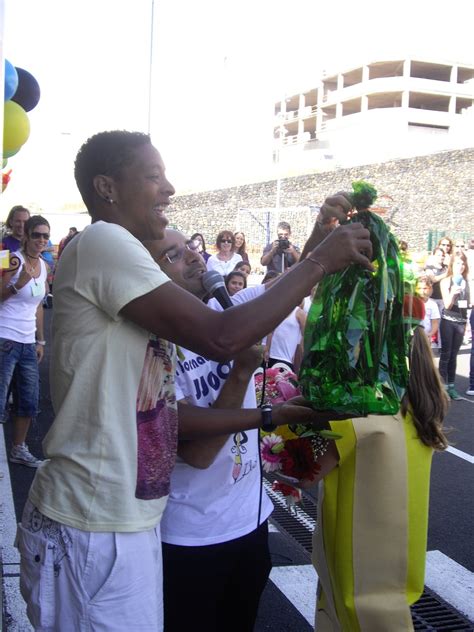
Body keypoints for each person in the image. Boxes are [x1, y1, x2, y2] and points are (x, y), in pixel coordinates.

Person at [17, 130, 373, 632]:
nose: (170, 188)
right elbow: (224, 337)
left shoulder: (123, 263)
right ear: (107, 187)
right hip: (92, 523)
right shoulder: (103, 239)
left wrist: (318, 242)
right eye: (154, 176)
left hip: (119, 521)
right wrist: (318, 260)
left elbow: (257, 306)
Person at [145, 229, 341, 632]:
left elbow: (293, 280)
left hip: (250, 526)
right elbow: (198, 456)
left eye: (191, 249)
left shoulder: (230, 308)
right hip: (191, 540)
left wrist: (324, 228)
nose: (195, 259)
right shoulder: (156, 347)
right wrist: (240, 373)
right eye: (174, 256)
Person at [307, 303, 449, 631]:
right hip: (401, 553)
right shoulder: (425, 402)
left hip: (354, 554)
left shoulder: (357, 411)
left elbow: (308, 473)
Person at [0, 216, 49, 467]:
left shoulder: (44, 265)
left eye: (45, 236)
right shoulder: (10, 257)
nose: (41, 240)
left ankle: (18, 449)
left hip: (28, 341)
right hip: (4, 338)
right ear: (26, 235)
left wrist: (40, 340)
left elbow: (39, 306)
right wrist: (17, 286)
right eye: (37, 234)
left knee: (29, 400)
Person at [439, 253, 470, 400]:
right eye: (458, 263)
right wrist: (453, 292)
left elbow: (468, 304)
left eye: (463, 263)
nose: (461, 266)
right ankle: (440, 387)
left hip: (461, 322)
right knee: (446, 354)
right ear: (452, 265)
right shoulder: (446, 281)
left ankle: (451, 387)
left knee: (454, 356)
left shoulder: (467, 282)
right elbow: (447, 305)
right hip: (447, 321)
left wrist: (466, 323)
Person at [416, 275, 440, 341]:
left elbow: (435, 322)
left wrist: (430, 334)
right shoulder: (413, 302)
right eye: (419, 288)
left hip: (426, 336)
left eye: (425, 288)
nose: (422, 291)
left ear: (430, 289)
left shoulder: (432, 304)